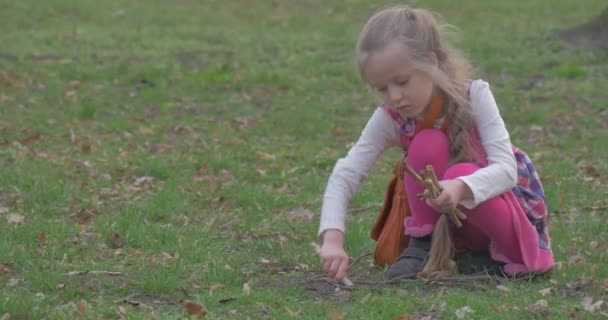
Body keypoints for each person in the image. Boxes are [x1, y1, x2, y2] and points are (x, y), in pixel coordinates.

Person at [317, 5, 554, 281]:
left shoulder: (475, 95)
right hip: (451, 225)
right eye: (382, 89)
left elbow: (506, 170)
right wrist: (332, 238)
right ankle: (423, 245)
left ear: (431, 62)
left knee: (458, 173)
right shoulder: (391, 117)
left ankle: (503, 255)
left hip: (503, 217)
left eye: (402, 82)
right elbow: (347, 173)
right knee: (426, 143)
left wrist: (461, 187)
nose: (395, 97)